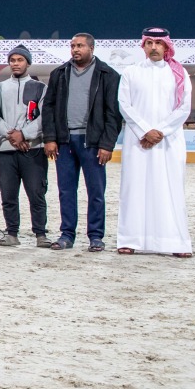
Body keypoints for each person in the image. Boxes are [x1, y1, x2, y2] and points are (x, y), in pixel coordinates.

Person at [41, 33, 122, 252]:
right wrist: (49, 138)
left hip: (93, 142)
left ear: (91, 48)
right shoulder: (59, 74)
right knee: (66, 191)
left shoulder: (108, 74)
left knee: (96, 191)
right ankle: (67, 234)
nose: (75, 50)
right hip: (64, 141)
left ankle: (96, 236)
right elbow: (48, 108)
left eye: (80, 46)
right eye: (73, 46)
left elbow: (113, 114)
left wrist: (107, 144)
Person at [117, 28, 193, 257]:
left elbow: (184, 107)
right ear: (143, 46)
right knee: (134, 188)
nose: (153, 47)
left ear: (167, 46)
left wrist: (159, 131)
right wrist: (144, 131)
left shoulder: (179, 73)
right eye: (149, 42)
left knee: (170, 189)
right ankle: (130, 240)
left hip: (168, 142)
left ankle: (175, 242)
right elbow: (124, 105)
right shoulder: (131, 72)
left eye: (158, 43)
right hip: (138, 141)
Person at [0, 45, 49, 248]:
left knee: (36, 193)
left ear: (28, 62)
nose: (15, 64)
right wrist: (12, 135)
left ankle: (41, 234)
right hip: (6, 150)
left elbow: (44, 118)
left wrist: (24, 134)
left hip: (33, 149)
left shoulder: (40, 88)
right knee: (8, 194)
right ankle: (12, 233)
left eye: (20, 60)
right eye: (13, 60)